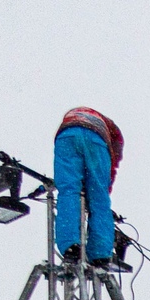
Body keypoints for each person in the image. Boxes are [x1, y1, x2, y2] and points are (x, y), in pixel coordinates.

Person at [53, 106, 125, 269]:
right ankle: (100, 253)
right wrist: (103, 190)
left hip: (66, 135)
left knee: (68, 192)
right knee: (99, 200)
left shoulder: (79, 115)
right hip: (96, 140)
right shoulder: (113, 132)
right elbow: (110, 169)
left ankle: (70, 245)